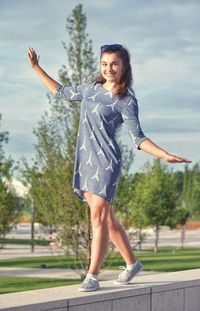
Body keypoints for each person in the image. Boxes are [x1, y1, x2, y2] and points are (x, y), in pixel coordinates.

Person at [28, 44, 191, 292]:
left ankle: (92, 275)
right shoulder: (90, 89)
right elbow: (60, 92)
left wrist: (164, 155)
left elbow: (138, 138)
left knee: (98, 217)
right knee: (108, 220)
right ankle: (132, 263)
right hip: (85, 160)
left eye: (114, 63)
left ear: (124, 66)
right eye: (104, 63)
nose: (108, 68)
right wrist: (36, 67)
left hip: (106, 163)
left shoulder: (126, 99)